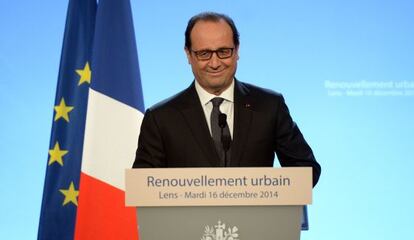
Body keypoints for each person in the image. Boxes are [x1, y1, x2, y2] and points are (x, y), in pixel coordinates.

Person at [133, 12, 321, 186]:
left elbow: (307, 171)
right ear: (188, 55)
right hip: (189, 222)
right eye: (204, 54)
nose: (215, 63)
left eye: (223, 51)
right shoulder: (161, 118)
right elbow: (144, 185)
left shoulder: (269, 106)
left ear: (237, 50)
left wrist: (264, 189)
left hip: (256, 221)